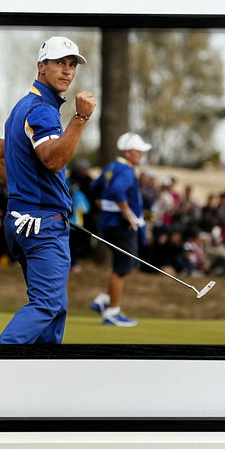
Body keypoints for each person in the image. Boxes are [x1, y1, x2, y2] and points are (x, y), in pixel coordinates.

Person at [0, 37, 96, 344]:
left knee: (56, 309)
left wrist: (27, 198)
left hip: (25, 220)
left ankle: (43, 378)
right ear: (41, 66)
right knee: (46, 305)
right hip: (42, 225)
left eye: (72, 64)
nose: (67, 71)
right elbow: (52, 159)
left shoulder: (19, 108)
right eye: (60, 63)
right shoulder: (41, 110)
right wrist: (80, 118)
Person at [89, 132, 152, 327]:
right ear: (128, 151)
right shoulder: (125, 170)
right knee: (122, 269)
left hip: (110, 225)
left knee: (123, 267)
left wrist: (101, 200)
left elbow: (94, 187)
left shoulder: (112, 167)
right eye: (138, 151)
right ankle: (113, 312)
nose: (141, 154)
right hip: (122, 226)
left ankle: (105, 301)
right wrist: (128, 215)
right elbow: (117, 191)